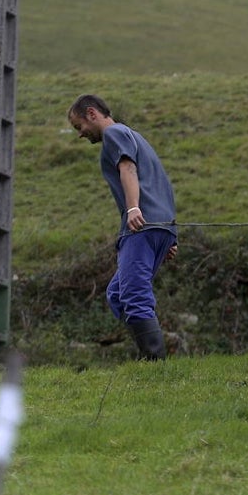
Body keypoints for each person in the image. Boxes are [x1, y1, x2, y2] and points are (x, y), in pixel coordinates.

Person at [68, 94, 177, 360]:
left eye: (78, 126)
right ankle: (148, 354)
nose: (80, 134)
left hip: (141, 226)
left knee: (132, 292)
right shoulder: (136, 136)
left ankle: (155, 362)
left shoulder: (114, 134)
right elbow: (161, 182)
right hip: (160, 226)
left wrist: (133, 209)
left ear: (92, 113)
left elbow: (127, 168)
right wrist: (169, 234)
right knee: (117, 293)